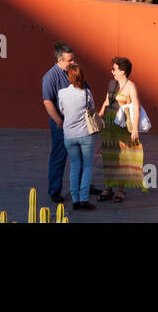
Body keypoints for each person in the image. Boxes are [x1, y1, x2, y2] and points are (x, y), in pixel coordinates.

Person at [97, 56, 145, 202]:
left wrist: (135, 129)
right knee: (109, 157)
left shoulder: (131, 87)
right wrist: (99, 116)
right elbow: (106, 101)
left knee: (123, 158)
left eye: (115, 69)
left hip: (123, 129)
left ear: (123, 71)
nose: (112, 72)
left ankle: (121, 190)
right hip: (109, 126)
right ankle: (108, 188)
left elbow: (136, 107)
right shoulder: (112, 84)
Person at [57, 61, 98, 211]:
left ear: (69, 77)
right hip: (85, 134)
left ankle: (75, 199)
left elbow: (62, 110)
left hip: (69, 134)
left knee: (75, 166)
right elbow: (92, 109)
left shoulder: (62, 93)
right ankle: (84, 199)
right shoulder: (86, 93)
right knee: (87, 166)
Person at [41, 42, 75, 204]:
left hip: (77, 123)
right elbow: (47, 102)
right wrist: (58, 121)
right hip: (62, 125)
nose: (73, 63)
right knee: (59, 157)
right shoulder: (50, 77)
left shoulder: (73, 73)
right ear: (60, 60)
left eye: (73, 59)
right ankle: (54, 191)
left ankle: (83, 186)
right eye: (69, 60)